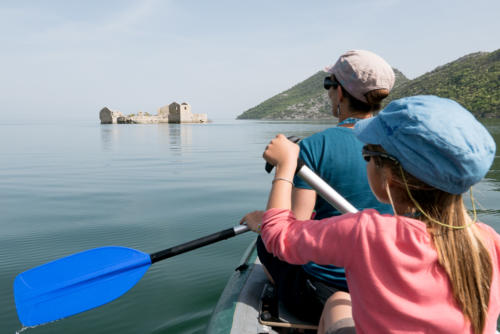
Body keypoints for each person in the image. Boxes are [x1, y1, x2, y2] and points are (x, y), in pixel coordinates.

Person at [242, 95, 500, 333]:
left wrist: (285, 166)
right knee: (340, 300)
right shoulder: (488, 240)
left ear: (388, 174)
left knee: (339, 302)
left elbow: (277, 236)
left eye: (367, 155)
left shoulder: (367, 233)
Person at [256, 49, 396, 322]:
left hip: (323, 293)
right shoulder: (400, 145)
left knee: (266, 244)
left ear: (340, 92)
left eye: (328, 85)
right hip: (386, 286)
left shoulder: (314, 146)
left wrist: (263, 222)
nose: (329, 93)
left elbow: (293, 229)